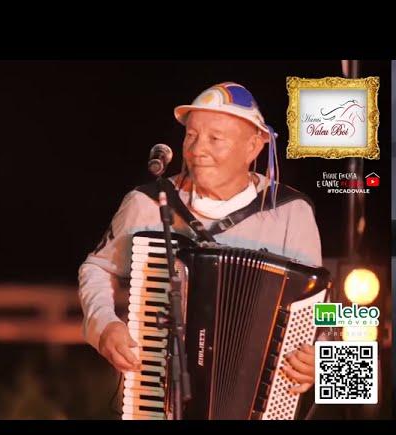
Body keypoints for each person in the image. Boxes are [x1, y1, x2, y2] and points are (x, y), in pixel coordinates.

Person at [78, 82, 322, 405]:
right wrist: (104, 327)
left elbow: (324, 311)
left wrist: (321, 362)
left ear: (253, 147)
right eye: (191, 135)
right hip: (158, 399)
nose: (196, 150)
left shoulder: (292, 212)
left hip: (260, 403)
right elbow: (96, 268)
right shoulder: (148, 203)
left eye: (214, 138)